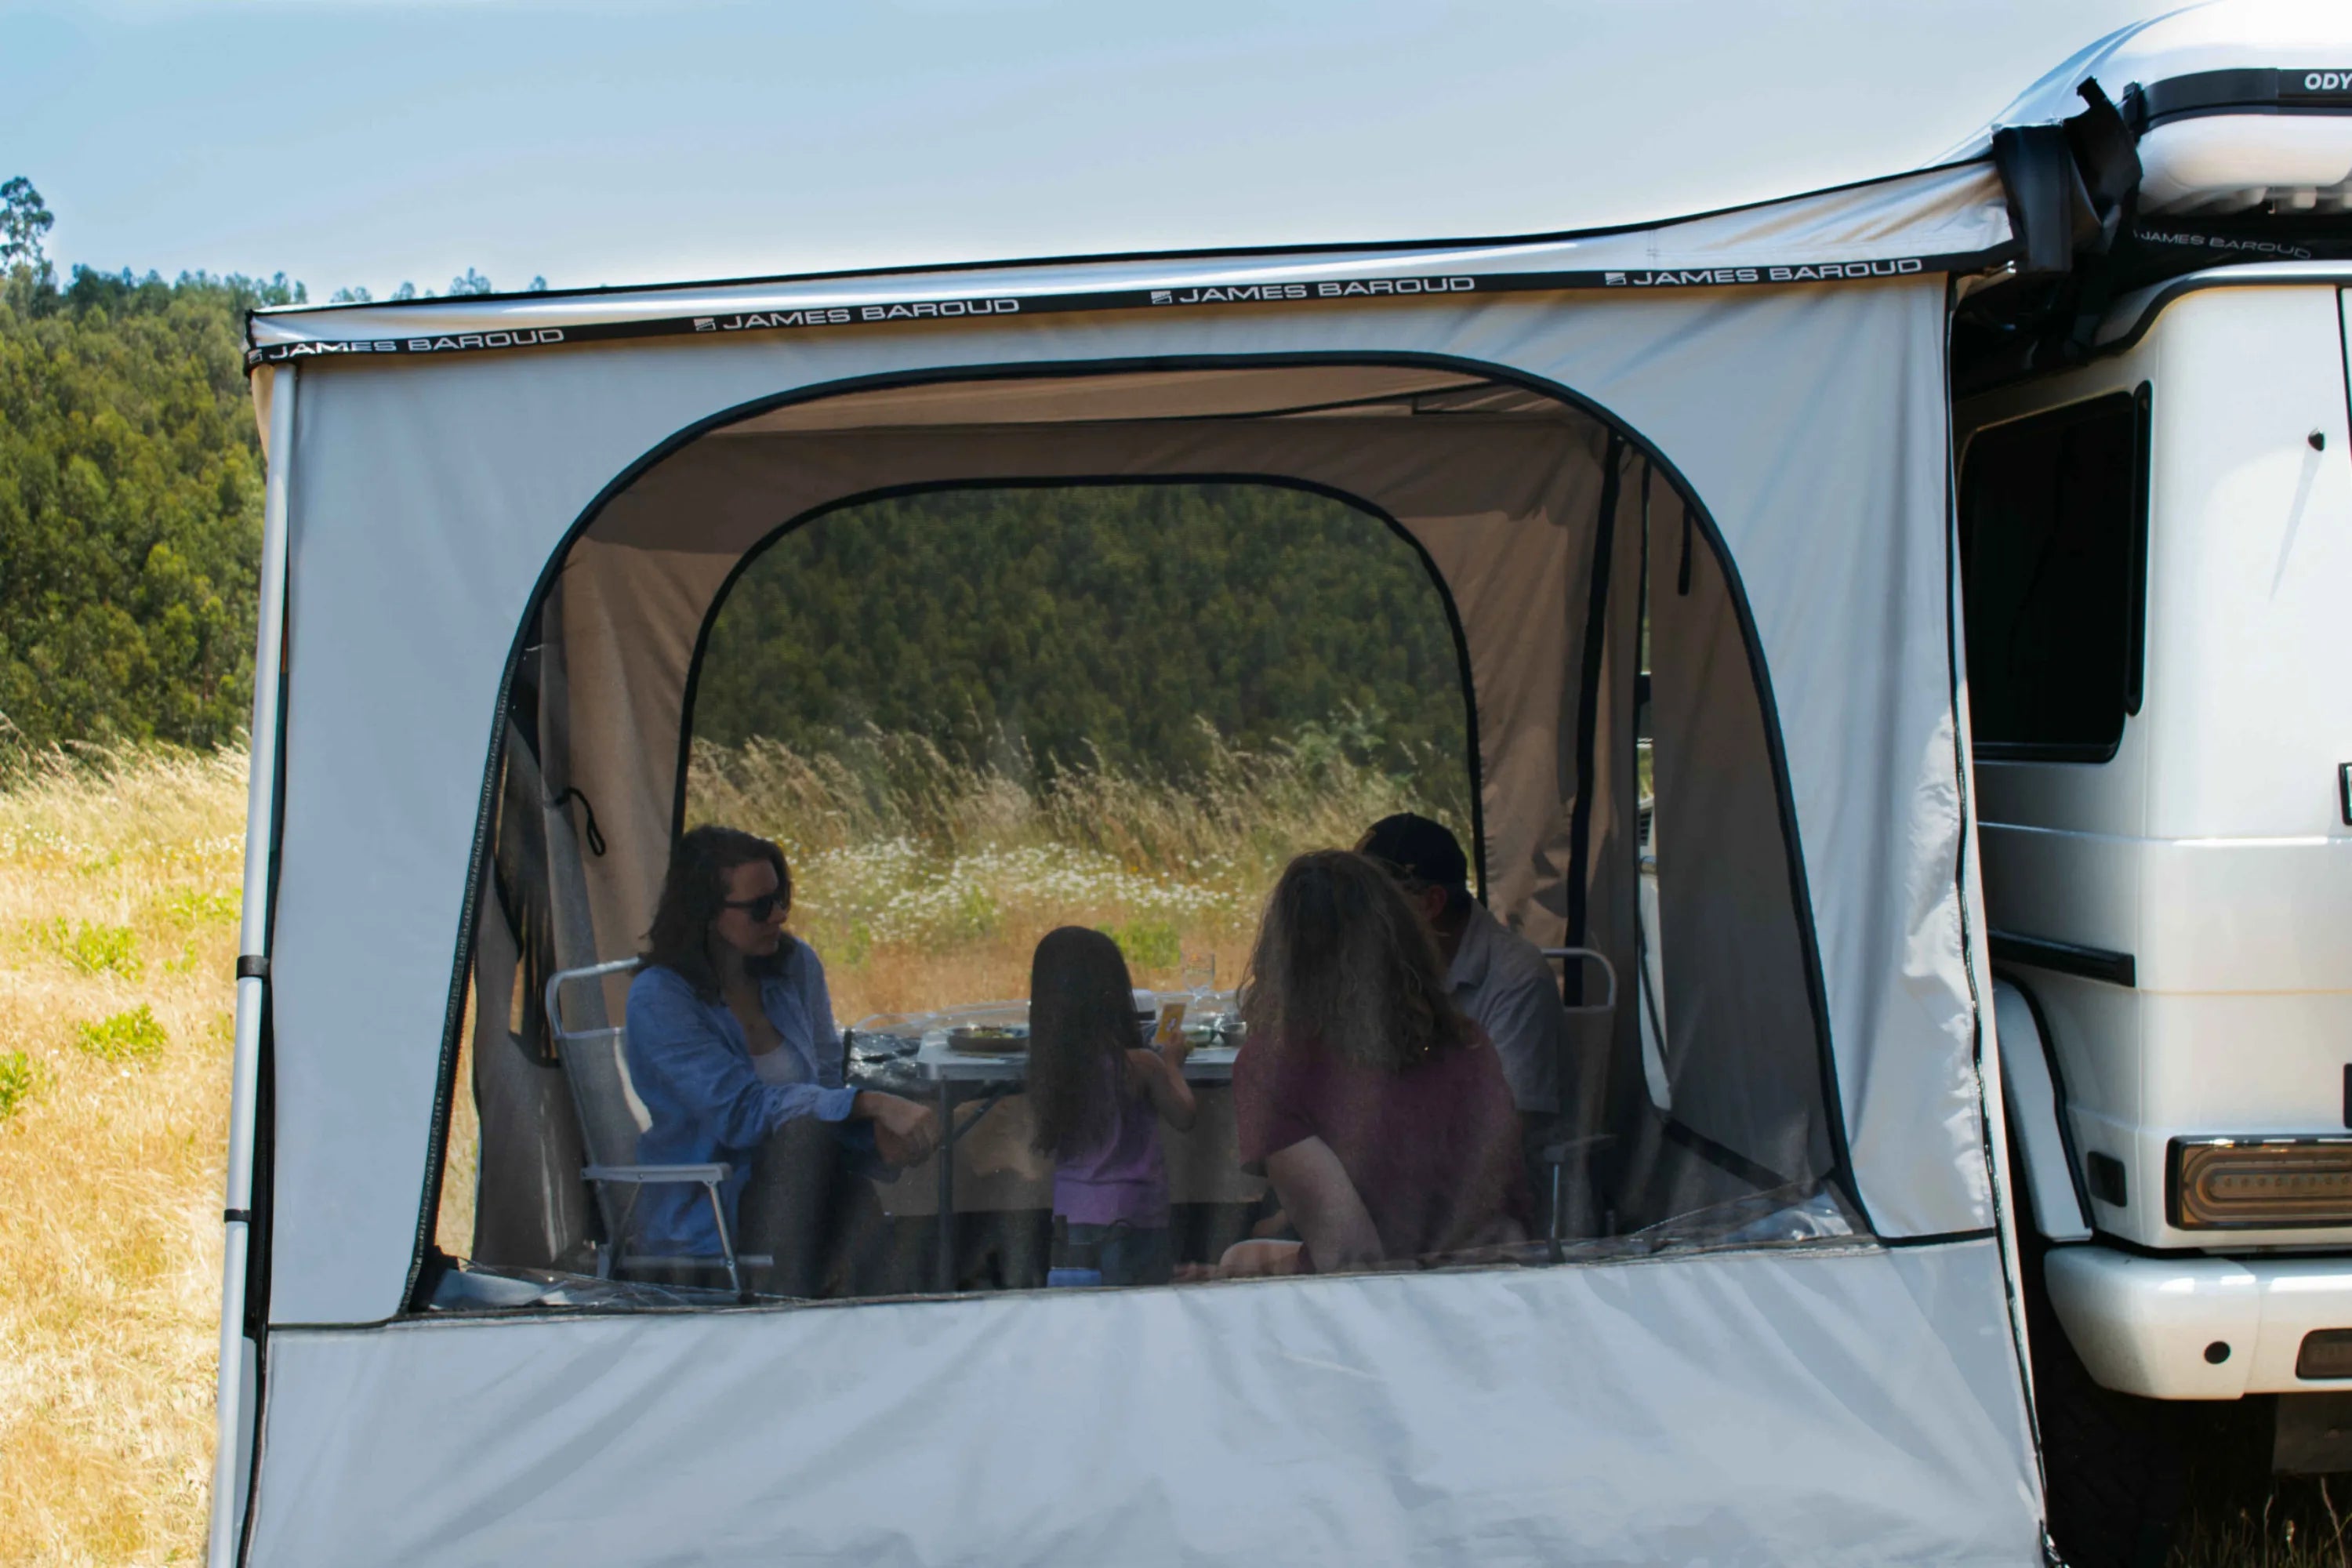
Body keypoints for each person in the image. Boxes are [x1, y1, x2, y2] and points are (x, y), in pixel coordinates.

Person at [625, 825, 938, 1293]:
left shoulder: (794, 967)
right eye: (760, 907)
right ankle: (883, 1297)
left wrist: (869, 1137)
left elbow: (827, 1081)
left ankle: (882, 1293)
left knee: (899, 1138)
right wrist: (870, 1106)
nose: (779, 916)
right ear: (706, 914)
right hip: (715, 1200)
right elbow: (740, 1113)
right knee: (813, 1149)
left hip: (812, 1187)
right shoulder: (661, 998)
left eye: (781, 897)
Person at [1221, 850, 1530, 1278]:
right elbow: (1503, 1210)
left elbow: (1353, 1258)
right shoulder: (1466, 1042)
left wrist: (1248, 1267)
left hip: (1393, 1303)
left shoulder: (1271, 1067)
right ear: (1403, 937)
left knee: (1235, 1263)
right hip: (1489, 1286)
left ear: (1281, 956)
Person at [1356, 813, 1567, 1142]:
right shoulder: (1389, 965)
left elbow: (1506, 1133)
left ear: (1430, 903)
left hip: (1490, 1184)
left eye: (1375, 903)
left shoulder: (1517, 979)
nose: (1360, 917)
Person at [1025, 926, 1199, 1287]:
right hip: (1134, 1217)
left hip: (1071, 1218)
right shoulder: (1140, 1065)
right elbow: (1185, 1114)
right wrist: (1170, 1064)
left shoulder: (1050, 1070)